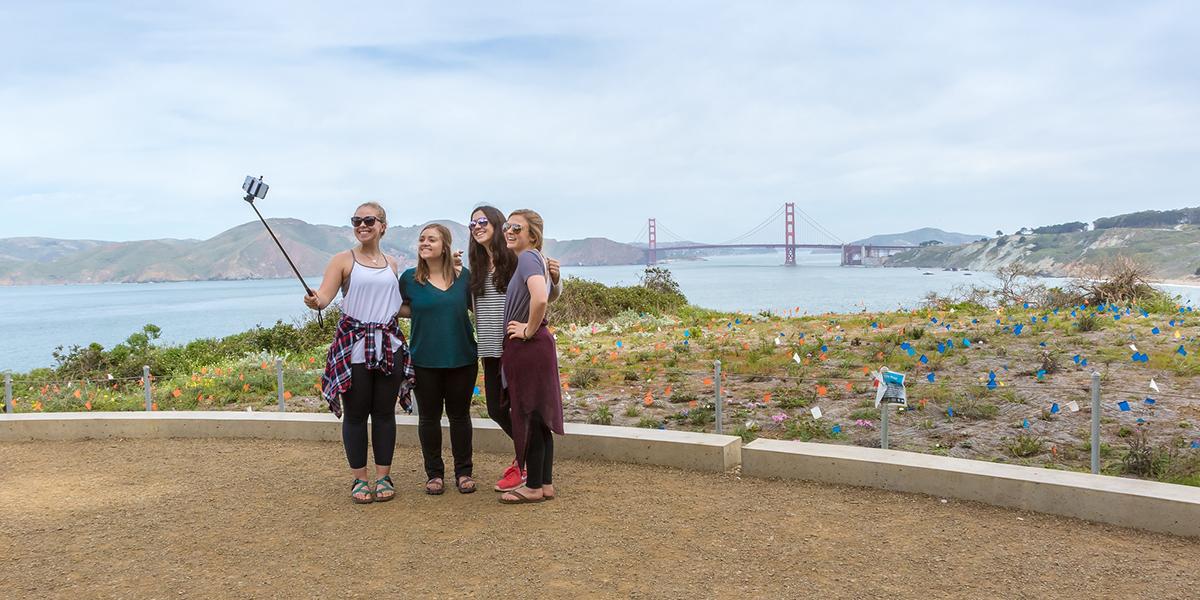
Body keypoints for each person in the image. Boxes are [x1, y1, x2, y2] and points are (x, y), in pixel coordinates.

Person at [305, 202, 413, 504]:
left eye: (369, 220)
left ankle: (384, 476)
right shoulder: (343, 260)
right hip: (354, 348)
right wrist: (315, 301)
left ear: (382, 226)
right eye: (356, 221)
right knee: (355, 414)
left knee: (383, 414)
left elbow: (398, 306)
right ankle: (360, 479)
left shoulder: (391, 263)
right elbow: (324, 298)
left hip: (389, 345)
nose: (362, 225)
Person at [466, 205, 561, 492]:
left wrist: (555, 279)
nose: (477, 226)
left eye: (483, 221)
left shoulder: (516, 258)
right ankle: (530, 461)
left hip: (515, 346)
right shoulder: (477, 267)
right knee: (498, 409)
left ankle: (530, 468)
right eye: (472, 224)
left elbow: (543, 295)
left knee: (526, 411)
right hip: (490, 347)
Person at [398, 223, 479, 495]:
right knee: (429, 419)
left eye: (431, 239)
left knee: (459, 417)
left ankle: (464, 472)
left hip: (462, 358)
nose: (424, 243)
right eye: (421, 239)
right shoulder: (409, 279)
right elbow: (395, 307)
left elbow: (480, 306)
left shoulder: (464, 277)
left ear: (445, 245)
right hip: (424, 361)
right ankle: (434, 474)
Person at [498, 209, 564, 504]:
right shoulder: (536, 260)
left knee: (528, 415)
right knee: (539, 417)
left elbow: (539, 298)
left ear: (532, 236)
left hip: (528, 347)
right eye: (506, 226)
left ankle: (533, 486)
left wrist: (527, 330)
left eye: (516, 228)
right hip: (538, 347)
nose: (509, 231)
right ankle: (544, 484)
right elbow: (546, 294)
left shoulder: (527, 258)